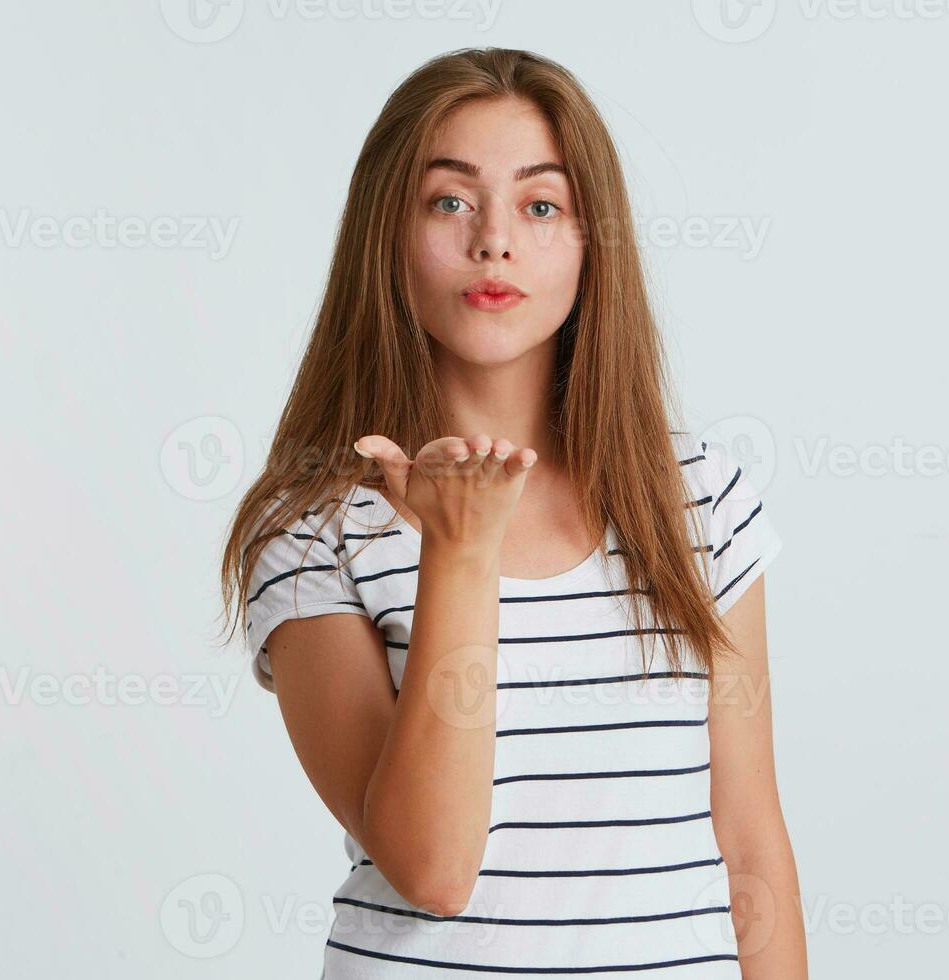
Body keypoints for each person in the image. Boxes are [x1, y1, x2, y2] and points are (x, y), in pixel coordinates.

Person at [220, 46, 807, 978]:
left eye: (541, 205)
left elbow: (752, 848)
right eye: (449, 200)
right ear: (386, 235)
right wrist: (459, 547)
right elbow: (433, 869)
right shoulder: (311, 533)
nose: (494, 240)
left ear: (590, 238)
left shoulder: (702, 500)